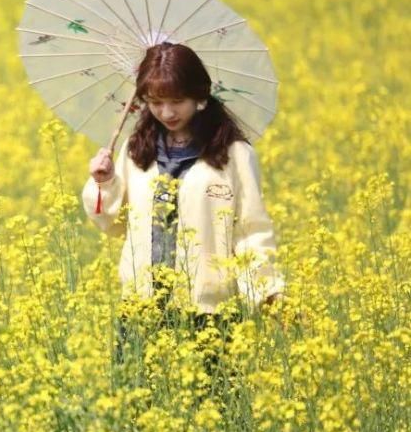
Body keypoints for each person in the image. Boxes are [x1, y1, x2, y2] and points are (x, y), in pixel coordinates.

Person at [81, 42, 286, 372]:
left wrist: (269, 293)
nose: (167, 113)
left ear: (200, 96)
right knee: (135, 397)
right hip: (141, 306)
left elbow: (250, 232)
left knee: (213, 399)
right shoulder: (136, 150)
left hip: (208, 312)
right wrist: (104, 182)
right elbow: (112, 224)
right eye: (156, 102)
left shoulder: (235, 155)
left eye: (177, 101)